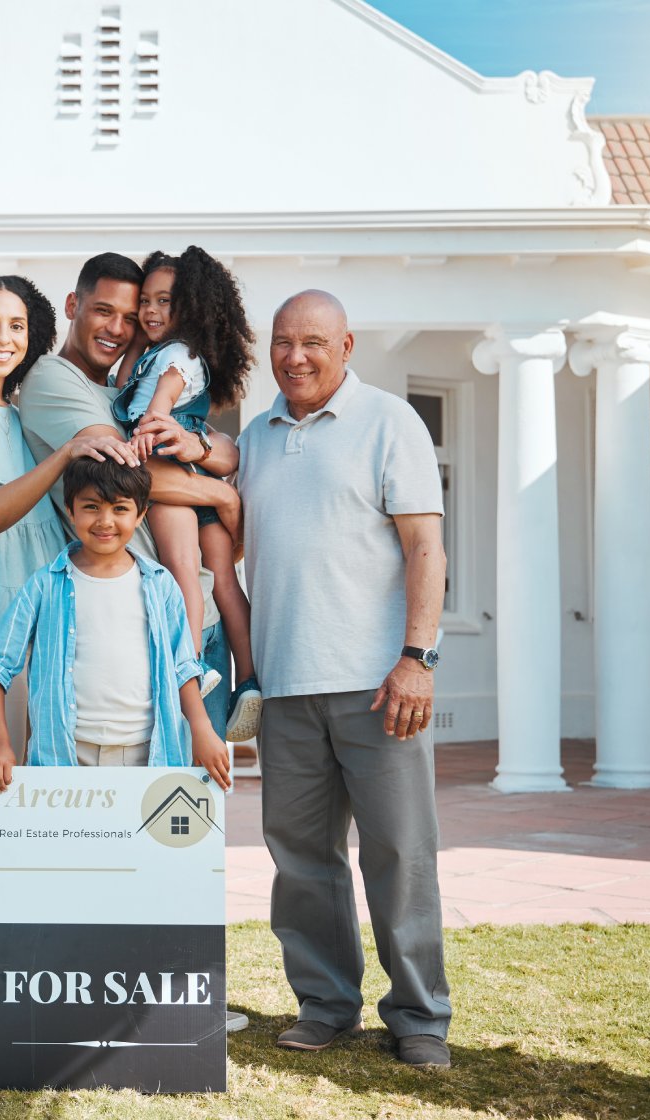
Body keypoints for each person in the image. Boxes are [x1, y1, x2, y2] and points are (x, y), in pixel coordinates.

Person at [0, 269, 135, 1063]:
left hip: (48, 630)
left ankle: (17, 982)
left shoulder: (19, 414)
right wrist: (66, 452)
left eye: (16, 325)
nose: (4, 338)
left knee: (36, 808)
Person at [237, 290, 453, 1068]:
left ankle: (420, 1016)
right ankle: (326, 1004)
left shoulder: (390, 421)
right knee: (301, 860)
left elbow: (426, 547)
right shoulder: (255, 437)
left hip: (379, 685)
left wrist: (417, 659)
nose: (295, 357)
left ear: (348, 346)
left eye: (314, 343)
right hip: (286, 685)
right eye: (283, 342)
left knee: (400, 853)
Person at [14, 253, 240, 741]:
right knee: (150, 783)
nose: (118, 329)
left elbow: (226, 450)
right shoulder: (54, 378)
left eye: (131, 317)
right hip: (144, 624)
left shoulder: (125, 387)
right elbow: (122, 474)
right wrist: (221, 496)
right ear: (73, 305)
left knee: (199, 785)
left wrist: (202, 448)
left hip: (200, 617)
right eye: (103, 311)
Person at [0, 457, 230, 791]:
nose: (105, 521)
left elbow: (182, 667)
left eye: (120, 509)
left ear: (140, 514)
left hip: (147, 755)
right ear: (71, 510)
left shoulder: (160, 584)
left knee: (145, 829)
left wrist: (202, 729)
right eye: (91, 507)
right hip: (66, 758)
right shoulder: (45, 585)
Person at [111, 246, 261, 742]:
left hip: (168, 470)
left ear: (190, 308)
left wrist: (145, 432)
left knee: (184, 572)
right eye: (145, 302)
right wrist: (138, 338)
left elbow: (160, 404)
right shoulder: (165, 353)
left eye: (164, 302)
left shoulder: (177, 358)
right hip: (199, 474)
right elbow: (124, 380)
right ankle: (250, 680)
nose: (150, 311)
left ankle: (191, 664)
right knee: (224, 579)